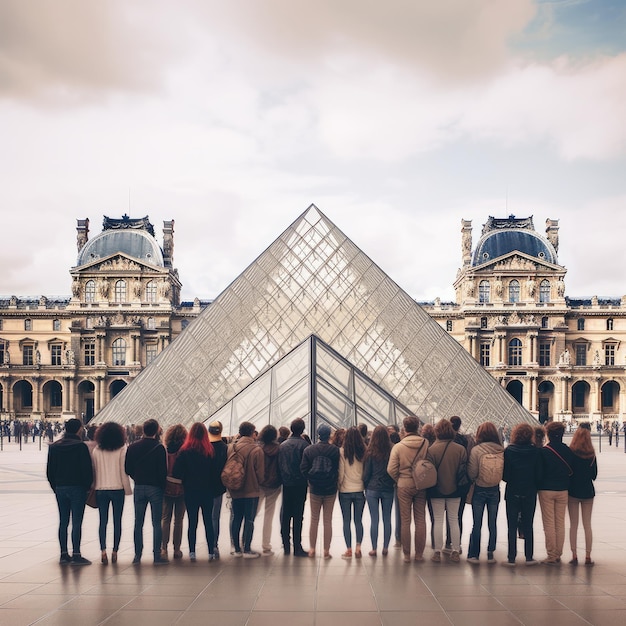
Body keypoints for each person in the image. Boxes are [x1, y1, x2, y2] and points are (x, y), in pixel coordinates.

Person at [46, 418, 93, 565]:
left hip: (61, 488)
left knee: (63, 521)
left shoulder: (54, 446)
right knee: (77, 522)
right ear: (79, 429)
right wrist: (87, 487)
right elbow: (87, 470)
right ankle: (77, 554)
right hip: (77, 488)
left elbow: (49, 471)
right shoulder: (80, 446)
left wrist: (56, 487)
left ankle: (63, 554)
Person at [125, 418, 168, 565]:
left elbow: (127, 469)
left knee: (138, 523)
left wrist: (137, 477)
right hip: (155, 488)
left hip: (139, 486)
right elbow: (163, 471)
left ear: (143, 430)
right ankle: (156, 555)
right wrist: (162, 487)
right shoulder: (160, 448)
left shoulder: (132, 447)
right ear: (156, 430)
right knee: (156, 523)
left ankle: (137, 556)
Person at [172, 422, 218, 561]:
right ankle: (211, 551)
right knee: (208, 521)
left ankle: (192, 552)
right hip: (207, 491)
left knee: (192, 522)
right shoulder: (210, 451)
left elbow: (176, 473)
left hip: (190, 491)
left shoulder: (184, 451)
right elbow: (215, 473)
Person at [387, 416, 429, 563]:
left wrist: (400, 479)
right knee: (420, 520)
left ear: (404, 428)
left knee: (405, 520)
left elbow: (391, 469)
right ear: (418, 427)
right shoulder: (425, 443)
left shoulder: (398, 446)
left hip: (403, 485)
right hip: (421, 484)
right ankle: (418, 554)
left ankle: (406, 554)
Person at [427, 418, 468, 563]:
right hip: (455, 490)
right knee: (454, 520)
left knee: (437, 521)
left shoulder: (431, 450)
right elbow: (464, 471)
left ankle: (437, 552)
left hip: (436, 490)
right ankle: (455, 550)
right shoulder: (460, 449)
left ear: (436, 432)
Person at [92, 422, 132, 565]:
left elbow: (95, 472)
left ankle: (103, 551)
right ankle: (115, 551)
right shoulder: (122, 449)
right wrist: (128, 490)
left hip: (101, 489)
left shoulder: (96, 450)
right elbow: (123, 472)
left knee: (103, 522)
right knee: (117, 521)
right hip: (117, 488)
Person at [502, 423, 541, 566]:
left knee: (511, 526)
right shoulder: (536, 451)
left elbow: (505, 476)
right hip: (529, 492)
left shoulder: (509, 451)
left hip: (512, 491)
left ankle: (511, 557)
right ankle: (529, 557)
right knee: (528, 524)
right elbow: (539, 475)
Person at [537, 420, 575, 564]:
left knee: (549, 523)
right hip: (563, 490)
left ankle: (552, 555)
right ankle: (558, 553)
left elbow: (539, 472)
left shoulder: (544, 451)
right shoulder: (567, 450)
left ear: (549, 434)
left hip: (546, 490)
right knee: (560, 523)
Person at [466, 421, 504, 565]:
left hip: (479, 489)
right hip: (494, 489)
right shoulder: (501, 450)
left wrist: (475, 479)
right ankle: (490, 552)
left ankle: (474, 554)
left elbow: (472, 472)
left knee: (477, 523)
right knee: (492, 522)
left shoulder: (476, 450)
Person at [301, 423, 340, 559]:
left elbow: (303, 469)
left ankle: (312, 549)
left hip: (315, 489)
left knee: (314, 519)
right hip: (330, 489)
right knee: (327, 520)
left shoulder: (309, 450)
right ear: (329, 434)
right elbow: (337, 469)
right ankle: (326, 551)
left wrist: (311, 480)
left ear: (318, 434)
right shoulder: (335, 450)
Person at [227, 421, 265, 558]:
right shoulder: (256, 450)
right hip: (251, 491)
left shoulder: (232, 447)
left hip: (235, 489)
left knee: (236, 518)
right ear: (251, 433)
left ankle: (236, 548)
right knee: (249, 519)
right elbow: (260, 474)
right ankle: (247, 548)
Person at [277, 417, 310, 557]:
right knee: (298, 515)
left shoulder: (282, 446)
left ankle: (286, 545)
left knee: (285, 514)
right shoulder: (305, 446)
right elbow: (307, 466)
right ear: (302, 429)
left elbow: (278, 465)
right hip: (300, 484)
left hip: (286, 484)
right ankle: (297, 546)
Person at [568, 423, 597, 566]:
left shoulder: (571, 453)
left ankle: (574, 555)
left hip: (573, 492)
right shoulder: (591, 454)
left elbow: (568, 473)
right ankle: (588, 556)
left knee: (574, 525)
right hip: (588, 491)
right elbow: (594, 475)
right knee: (587, 525)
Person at [363, 424, 395, 557]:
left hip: (372, 488)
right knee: (387, 519)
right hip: (388, 488)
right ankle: (386, 547)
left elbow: (366, 473)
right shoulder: (392, 450)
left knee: (374, 519)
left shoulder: (370, 452)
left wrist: (365, 485)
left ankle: (374, 548)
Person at [338, 426, 366, 559]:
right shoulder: (364, 452)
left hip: (345, 490)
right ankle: (358, 547)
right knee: (358, 521)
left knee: (346, 521)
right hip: (360, 490)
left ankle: (348, 549)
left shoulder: (342, 452)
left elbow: (341, 473)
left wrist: (339, 486)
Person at [161, 424, 188, 560]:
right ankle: (177, 549)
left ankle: (163, 548)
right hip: (182, 488)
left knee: (165, 518)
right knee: (179, 520)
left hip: (166, 487)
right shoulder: (185, 451)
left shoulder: (165, 450)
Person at [257, 424, 282, 556]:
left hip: (259, 484)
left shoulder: (258, 449)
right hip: (274, 485)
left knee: (252, 514)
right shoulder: (279, 449)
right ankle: (266, 546)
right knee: (269, 515)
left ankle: (244, 541)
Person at [208, 421, 228, 558]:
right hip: (219, 486)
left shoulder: (204, 447)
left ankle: (209, 544)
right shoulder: (225, 447)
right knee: (215, 517)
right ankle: (214, 545)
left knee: (206, 517)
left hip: (204, 486)